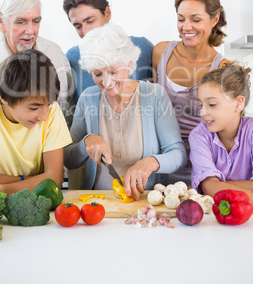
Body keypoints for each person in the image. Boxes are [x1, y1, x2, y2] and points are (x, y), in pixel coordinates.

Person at [64, 23, 187, 199]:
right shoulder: (87, 98)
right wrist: (86, 143)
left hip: (144, 201)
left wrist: (152, 162)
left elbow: (178, 154)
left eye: (113, 72)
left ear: (129, 65)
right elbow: (68, 158)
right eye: (98, 74)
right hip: (97, 202)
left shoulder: (154, 95)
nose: (106, 83)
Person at [152, 0, 228, 185]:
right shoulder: (160, 52)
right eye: (180, 19)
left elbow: (226, 128)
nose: (186, 27)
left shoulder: (222, 68)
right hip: (158, 162)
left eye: (196, 20)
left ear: (214, 19)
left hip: (200, 165)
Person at [0, 50, 72, 196]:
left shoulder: (52, 111)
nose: (44, 116)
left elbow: (54, 179)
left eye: (48, 104)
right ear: (3, 97)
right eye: (34, 107)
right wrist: (31, 180)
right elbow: (48, 182)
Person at [0, 0, 74, 126]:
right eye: (21, 21)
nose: (31, 31)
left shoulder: (54, 54)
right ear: (1, 21)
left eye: (36, 21)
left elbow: (65, 112)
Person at [63, 0, 154, 106]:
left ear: (107, 13)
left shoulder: (142, 47)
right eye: (78, 26)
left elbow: (159, 95)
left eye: (90, 21)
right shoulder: (72, 57)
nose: (85, 31)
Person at [189, 62, 253, 207]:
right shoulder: (199, 136)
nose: (203, 112)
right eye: (201, 105)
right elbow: (209, 187)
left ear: (238, 103)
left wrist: (217, 185)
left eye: (212, 104)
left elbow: (211, 187)